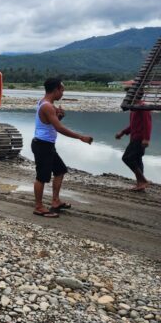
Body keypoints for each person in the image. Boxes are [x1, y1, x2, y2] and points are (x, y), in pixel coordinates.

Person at [32, 78, 93, 218]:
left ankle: (55, 201)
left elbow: (51, 124)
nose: (63, 94)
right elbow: (59, 128)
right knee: (42, 177)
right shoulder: (47, 106)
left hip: (46, 144)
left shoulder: (45, 103)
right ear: (56, 90)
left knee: (60, 170)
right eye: (62, 90)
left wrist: (58, 117)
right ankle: (39, 207)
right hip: (42, 145)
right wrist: (80, 137)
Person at [115, 89, 152, 191]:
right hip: (134, 137)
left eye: (129, 94)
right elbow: (133, 125)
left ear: (135, 95)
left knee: (127, 158)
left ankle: (143, 181)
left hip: (139, 138)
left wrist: (146, 139)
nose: (127, 96)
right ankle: (140, 184)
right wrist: (123, 132)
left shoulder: (143, 107)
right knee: (137, 159)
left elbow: (147, 124)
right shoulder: (134, 108)